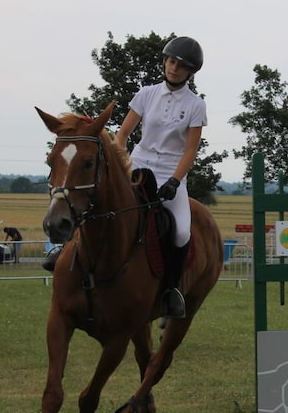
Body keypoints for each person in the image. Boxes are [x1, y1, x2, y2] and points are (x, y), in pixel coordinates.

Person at [44, 36, 205, 318]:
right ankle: (62, 250)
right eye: (170, 61)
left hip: (170, 173)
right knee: (95, 201)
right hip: (138, 165)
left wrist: (175, 181)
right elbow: (122, 135)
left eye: (180, 65)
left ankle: (171, 289)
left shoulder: (195, 105)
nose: (173, 68)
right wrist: (123, 167)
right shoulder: (146, 94)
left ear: (190, 71)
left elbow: (190, 151)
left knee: (180, 232)